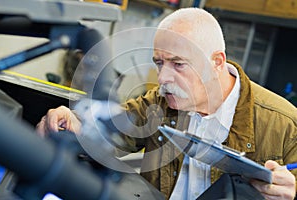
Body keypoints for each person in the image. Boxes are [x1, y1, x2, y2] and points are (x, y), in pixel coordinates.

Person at [36, 8, 297, 199]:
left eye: (178, 64)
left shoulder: (284, 124)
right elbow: (114, 128)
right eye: (159, 63)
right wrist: (74, 123)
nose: (162, 78)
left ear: (216, 62)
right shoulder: (159, 103)